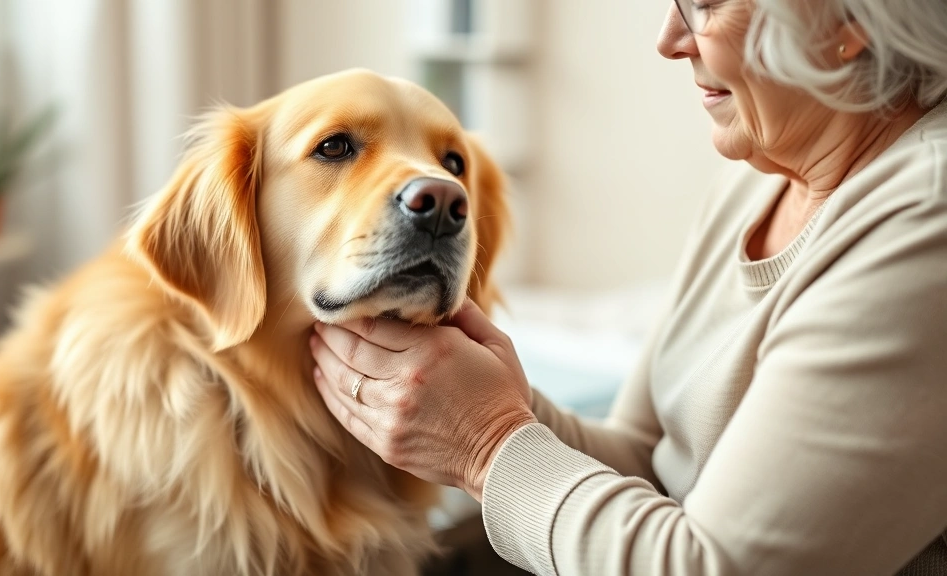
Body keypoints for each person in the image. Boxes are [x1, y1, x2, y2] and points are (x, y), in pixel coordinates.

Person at [309, 0, 947, 573]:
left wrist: (486, 443)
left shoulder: (926, 214)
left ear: (849, 21)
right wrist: (508, 402)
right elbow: (649, 457)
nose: (670, 39)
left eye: (703, 4)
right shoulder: (762, 172)